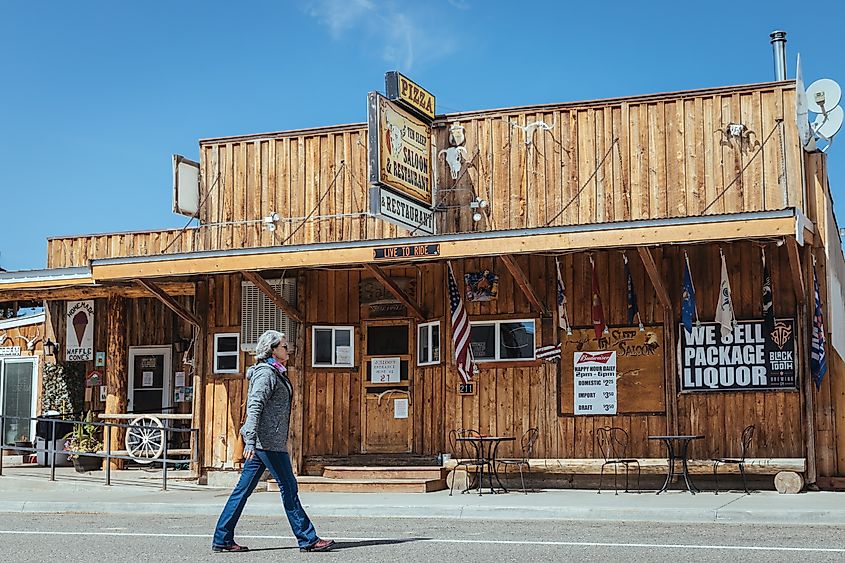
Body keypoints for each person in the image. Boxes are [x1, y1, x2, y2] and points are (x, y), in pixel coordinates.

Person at [212, 330, 335, 553]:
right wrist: (249, 440)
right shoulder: (266, 374)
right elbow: (255, 406)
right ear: (273, 350)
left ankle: (222, 538)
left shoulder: (276, 373)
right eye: (284, 346)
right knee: (289, 488)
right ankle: (308, 538)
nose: (288, 350)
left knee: (242, 491)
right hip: (267, 443)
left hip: (267, 443)